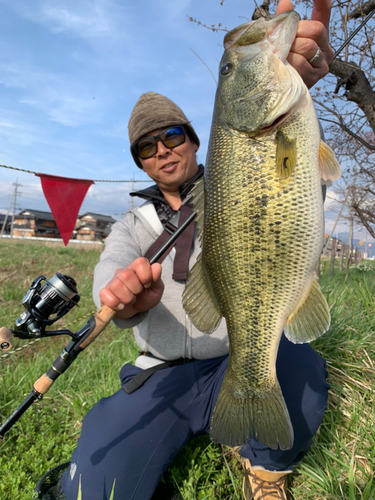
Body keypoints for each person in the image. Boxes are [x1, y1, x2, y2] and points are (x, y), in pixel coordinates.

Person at [36, 1, 334, 499]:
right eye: (146, 148)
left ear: (195, 141)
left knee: (301, 368)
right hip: (161, 376)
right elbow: (108, 275)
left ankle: (266, 467)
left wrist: (298, 101)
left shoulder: (236, 173)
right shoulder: (130, 226)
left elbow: (294, 186)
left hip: (237, 353)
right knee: (91, 488)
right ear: (141, 163)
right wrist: (121, 298)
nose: (163, 151)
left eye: (172, 135)